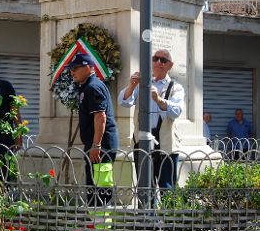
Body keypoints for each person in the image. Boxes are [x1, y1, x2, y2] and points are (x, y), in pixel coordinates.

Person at [118, 48, 184, 190]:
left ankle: (167, 206)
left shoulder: (176, 87)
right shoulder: (142, 83)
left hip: (166, 143)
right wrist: (132, 85)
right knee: (145, 187)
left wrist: (158, 100)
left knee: (167, 187)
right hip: (142, 140)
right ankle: (147, 206)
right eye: (155, 59)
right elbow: (123, 102)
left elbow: (176, 111)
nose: (158, 62)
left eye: (163, 60)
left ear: (170, 65)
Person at [68, 52, 119, 206]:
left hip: (101, 146)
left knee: (101, 189)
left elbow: (100, 117)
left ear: (88, 67)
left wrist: (96, 145)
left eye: (75, 68)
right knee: (93, 188)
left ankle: (101, 221)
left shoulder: (93, 87)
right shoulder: (87, 86)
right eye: (71, 69)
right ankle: (95, 219)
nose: (72, 72)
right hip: (95, 144)